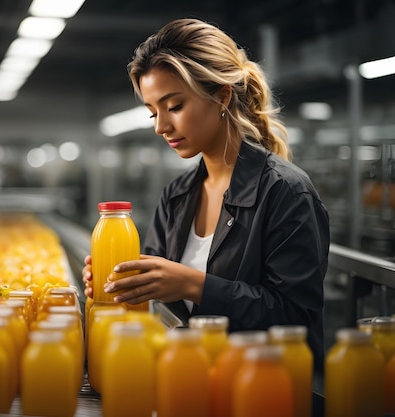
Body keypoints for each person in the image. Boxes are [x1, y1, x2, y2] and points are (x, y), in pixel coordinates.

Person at [82, 18, 330, 384]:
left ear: (222, 96)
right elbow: (156, 301)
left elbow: (295, 317)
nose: (160, 126)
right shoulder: (177, 195)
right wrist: (123, 284)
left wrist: (193, 285)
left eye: (174, 106)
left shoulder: (285, 192)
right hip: (189, 383)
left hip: (259, 390)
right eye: (153, 111)